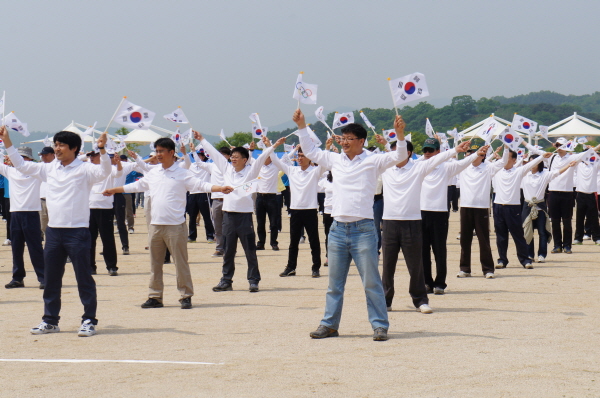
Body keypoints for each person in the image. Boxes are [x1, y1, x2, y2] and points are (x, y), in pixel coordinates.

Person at [294, 109, 408, 342]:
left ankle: (379, 325)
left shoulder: (373, 160)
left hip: (363, 230)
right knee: (334, 284)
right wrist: (302, 126)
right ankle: (329, 324)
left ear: (361, 141)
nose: (344, 142)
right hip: (337, 229)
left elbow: (398, 156)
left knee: (371, 282)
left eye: (349, 139)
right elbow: (310, 150)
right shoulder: (334, 159)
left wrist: (400, 135)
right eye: (342, 138)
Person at [1, 126, 111, 337]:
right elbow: (22, 166)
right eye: (56, 145)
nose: (57, 149)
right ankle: (50, 320)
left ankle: (89, 319)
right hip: (53, 232)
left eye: (61, 145)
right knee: (51, 279)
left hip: (77, 232)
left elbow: (105, 171)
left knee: (83, 277)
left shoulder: (85, 169)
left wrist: (102, 149)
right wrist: (8, 142)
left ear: (74, 148)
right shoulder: (49, 168)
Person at [103, 137, 233, 309]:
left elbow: (201, 185)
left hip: (175, 227)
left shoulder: (182, 174)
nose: (158, 155)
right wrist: (114, 189)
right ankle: (155, 296)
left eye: (161, 151)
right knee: (155, 264)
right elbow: (136, 186)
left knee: (181, 263)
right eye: (156, 151)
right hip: (156, 226)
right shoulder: (154, 173)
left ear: (172, 153)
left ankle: (185, 295)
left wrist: (220, 188)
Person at [380, 137, 476, 313]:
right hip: (390, 221)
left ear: (408, 153)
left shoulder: (418, 168)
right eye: (391, 152)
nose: (393, 155)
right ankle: (385, 301)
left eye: (397, 152)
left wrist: (455, 150)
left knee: (416, 264)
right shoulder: (385, 169)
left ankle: (420, 300)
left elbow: (438, 159)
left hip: (412, 221)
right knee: (387, 265)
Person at [195, 132, 283, 293]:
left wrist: (273, 145)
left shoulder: (250, 172)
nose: (233, 159)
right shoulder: (227, 169)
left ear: (245, 160)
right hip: (228, 215)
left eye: (237, 157)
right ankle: (226, 280)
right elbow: (215, 154)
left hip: (244, 217)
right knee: (228, 251)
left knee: (249, 250)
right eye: (232, 156)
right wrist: (202, 139)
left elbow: (262, 157)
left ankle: (253, 280)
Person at [420, 137, 479, 295]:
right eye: (425, 150)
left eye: (430, 150)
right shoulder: (419, 165)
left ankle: (440, 283)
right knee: (423, 250)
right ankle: (426, 281)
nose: (427, 153)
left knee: (439, 249)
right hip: (420, 212)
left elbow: (463, 164)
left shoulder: (446, 167)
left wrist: (476, 154)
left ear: (438, 151)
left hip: (439, 213)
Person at [270, 143, 325, 277]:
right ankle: (291, 267)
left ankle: (315, 267)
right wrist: (269, 146)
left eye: (303, 156)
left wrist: (327, 148)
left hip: (310, 210)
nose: (300, 158)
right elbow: (276, 161)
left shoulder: (315, 172)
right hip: (295, 210)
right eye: (298, 155)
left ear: (310, 158)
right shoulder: (292, 170)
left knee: (314, 241)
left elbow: (324, 162)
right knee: (293, 241)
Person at [493, 147, 550, 269]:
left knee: (518, 235)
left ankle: (525, 259)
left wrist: (542, 156)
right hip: (498, 206)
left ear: (514, 160)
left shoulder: (518, 171)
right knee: (501, 236)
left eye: (507, 158)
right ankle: (502, 259)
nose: (504, 160)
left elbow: (531, 164)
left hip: (513, 207)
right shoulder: (496, 170)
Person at [457, 145, 508, 279]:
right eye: (472, 154)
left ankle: (487, 269)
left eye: (478, 154)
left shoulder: (488, 168)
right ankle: (465, 268)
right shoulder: (463, 167)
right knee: (465, 239)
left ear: (483, 156)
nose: (474, 157)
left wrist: (507, 148)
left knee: (483, 239)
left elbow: (503, 162)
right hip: (466, 206)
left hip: (481, 208)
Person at [1, 147, 45, 290]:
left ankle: (44, 277)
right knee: (16, 247)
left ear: (30, 159)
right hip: (15, 213)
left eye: (23, 157)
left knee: (35, 247)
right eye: (18, 157)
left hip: (31, 213)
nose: (20, 160)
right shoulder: (10, 171)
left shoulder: (36, 171)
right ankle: (18, 277)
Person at [522, 155, 578, 263]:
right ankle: (529, 254)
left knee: (542, 232)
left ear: (539, 163)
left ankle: (542, 254)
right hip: (528, 206)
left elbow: (557, 172)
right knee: (528, 231)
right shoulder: (524, 175)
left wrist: (568, 166)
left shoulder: (544, 175)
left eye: (534, 162)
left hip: (540, 206)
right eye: (530, 162)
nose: (532, 165)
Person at [546, 139, 593, 254]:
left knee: (567, 221)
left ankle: (567, 245)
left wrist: (592, 148)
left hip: (567, 193)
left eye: (562, 145)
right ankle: (557, 245)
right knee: (555, 221)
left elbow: (587, 153)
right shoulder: (551, 158)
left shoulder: (572, 158)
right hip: (553, 192)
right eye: (557, 145)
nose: (559, 147)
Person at [88, 150, 122, 276]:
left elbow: (119, 173)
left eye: (94, 155)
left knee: (107, 238)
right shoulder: (88, 169)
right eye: (90, 156)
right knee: (89, 239)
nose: (91, 158)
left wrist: (118, 163)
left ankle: (111, 266)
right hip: (89, 207)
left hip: (105, 208)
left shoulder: (109, 169)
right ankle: (90, 266)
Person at [193, 146, 231, 257]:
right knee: (218, 226)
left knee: (228, 226)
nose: (222, 157)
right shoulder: (212, 166)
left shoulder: (230, 167)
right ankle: (219, 248)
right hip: (216, 199)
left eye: (224, 154)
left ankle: (229, 248)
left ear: (228, 156)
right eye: (220, 154)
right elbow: (199, 163)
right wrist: (193, 151)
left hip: (228, 199)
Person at [254, 144, 281, 251]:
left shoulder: (275, 166)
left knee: (273, 222)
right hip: (260, 197)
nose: (264, 158)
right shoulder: (258, 166)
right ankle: (261, 243)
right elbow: (249, 159)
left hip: (272, 197)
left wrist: (270, 146)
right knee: (260, 223)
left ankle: (274, 242)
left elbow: (282, 160)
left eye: (267, 156)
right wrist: (251, 150)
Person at [187, 148, 215, 243]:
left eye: (200, 155)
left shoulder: (207, 166)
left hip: (204, 193)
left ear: (203, 156)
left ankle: (210, 236)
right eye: (197, 155)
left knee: (207, 216)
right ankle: (192, 236)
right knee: (192, 216)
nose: (198, 157)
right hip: (193, 193)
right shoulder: (191, 166)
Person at [573, 151, 600, 245]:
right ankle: (578, 238)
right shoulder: (579, 165)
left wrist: (593, 151)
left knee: (594, 217)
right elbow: (575, 158)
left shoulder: (595, 165)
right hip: (580, 194)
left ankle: (597, 238)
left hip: (591, 194)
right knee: (579, 217)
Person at [39, 146, 55, 239]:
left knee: (54, 224)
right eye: (42, 155)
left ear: (53, 155)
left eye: (46, 155)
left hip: (53, 200)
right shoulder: (40, 167)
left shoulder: (58, 166)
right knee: (43, 225)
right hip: (42, 200)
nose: (44, 157)